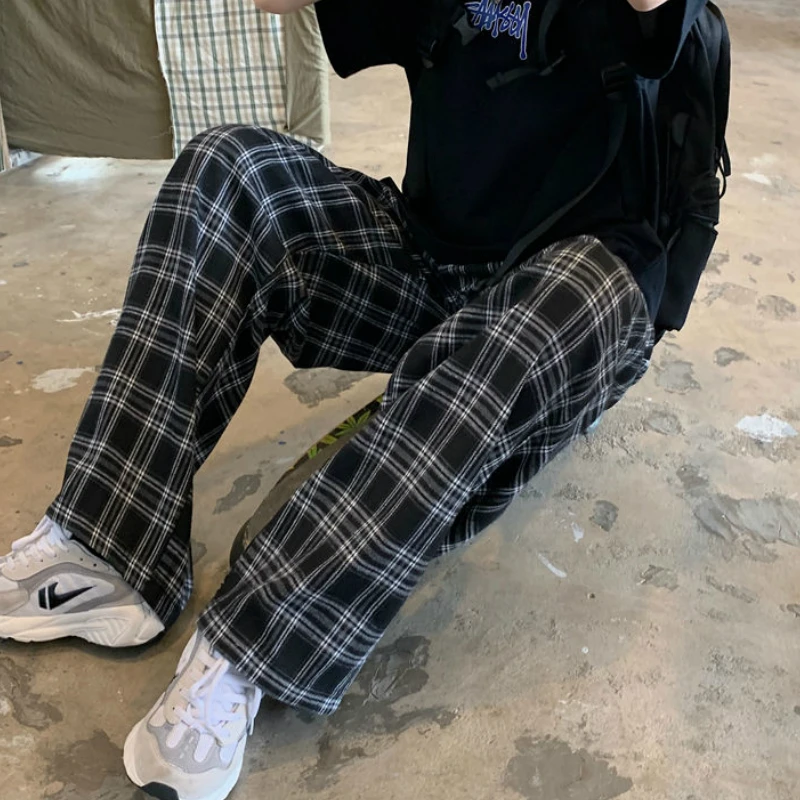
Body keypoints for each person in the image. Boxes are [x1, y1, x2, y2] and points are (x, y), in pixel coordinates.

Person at [0, 0, 709, 798]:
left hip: (575, 302)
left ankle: (249, 646)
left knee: (555, 307)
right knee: (230, 168)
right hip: (433, 265)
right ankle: (107, 544)